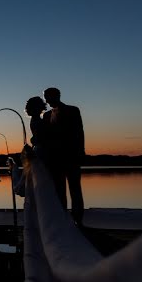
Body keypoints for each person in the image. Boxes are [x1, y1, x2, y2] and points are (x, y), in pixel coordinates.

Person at [42, 87, 85, 226]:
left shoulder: (73, 110)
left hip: (71, 156)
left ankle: (78, 219)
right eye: (45, 97)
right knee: (59, 190)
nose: (46, 100)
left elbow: (79, 132)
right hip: (54, 159)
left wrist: (80, 152)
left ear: (57, 96)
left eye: (47, 97)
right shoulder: (47, 115)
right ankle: (63, 219)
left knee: (75, 189)